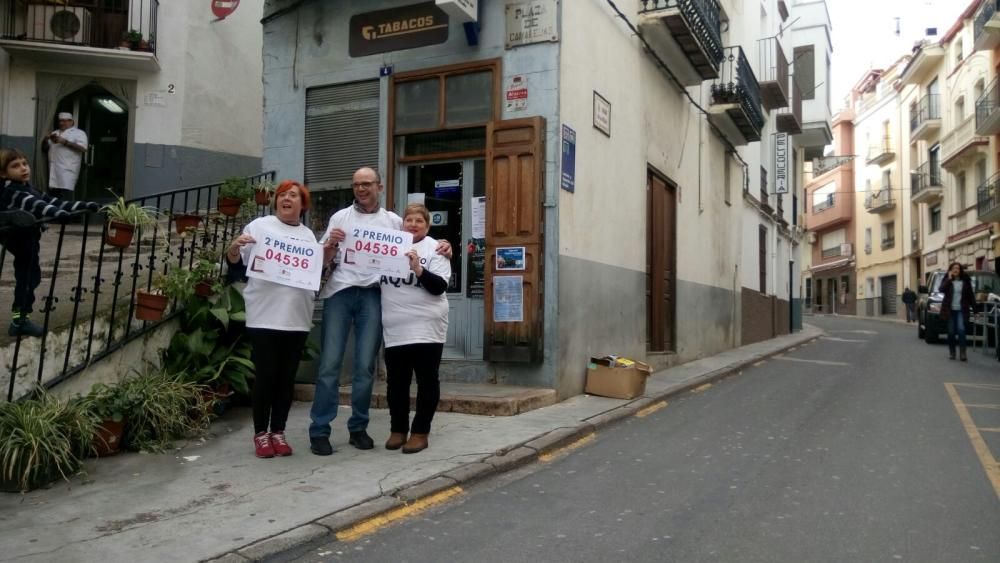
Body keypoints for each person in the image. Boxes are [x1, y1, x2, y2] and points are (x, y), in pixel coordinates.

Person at [308, 166, 451, 456]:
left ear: (379, 187)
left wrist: (445, 245)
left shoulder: (393, 222)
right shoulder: (340, 218)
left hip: (374, 295)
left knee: (365, 367)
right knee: (330, 365)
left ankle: (358, 427)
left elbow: (418, 239)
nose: (361, 189)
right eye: (356, 184)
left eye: (367, 184)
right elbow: (321, 261)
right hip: (340, 292)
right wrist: (331, 246)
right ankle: (319, 430)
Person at [226, 179, 336, 458]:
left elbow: (315, 271)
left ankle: (279, 431)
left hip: (297, 318)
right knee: (265, 377)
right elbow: (237, 267)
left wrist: (329, 252)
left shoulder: (309, 236)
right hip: (264, 315)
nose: (286, 198)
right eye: (282, 195)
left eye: (293, 195)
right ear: (276, 201)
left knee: (287, 379)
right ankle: (261, 434)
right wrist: (234, 249)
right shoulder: (259, 227)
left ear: (303, 205)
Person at [0, 148, 99, 337]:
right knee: (26, 281)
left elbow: (54, 202)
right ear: (3, 174)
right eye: (15, 166)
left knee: (31, 279)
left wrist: (84, 205)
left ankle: (21, 317)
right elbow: (38, 205)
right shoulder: (12, 191)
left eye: (24, 163)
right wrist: (56, 214)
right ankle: (19, 320)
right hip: (20, 241)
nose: (23, 168)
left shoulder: (28, 188)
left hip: (29, 240)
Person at [381, 204, 450, 454]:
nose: (412, 224)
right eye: (408, 220)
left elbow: (438, 286)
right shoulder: (390, 248)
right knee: (396, 383)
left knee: (426, 380)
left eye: (418, 220)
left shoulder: (436, 248)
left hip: (427, 327)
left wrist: (418, 269)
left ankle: (420, 432)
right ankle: (398, 430)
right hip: (395, 328)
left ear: (427, 226)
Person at [43, 112, 88, 200]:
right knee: (54, 200)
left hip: (67, 171)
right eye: (61, 121)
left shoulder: (78, 133)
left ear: (72, 122)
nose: (63, 123)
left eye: (66, 121)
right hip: (54, 171)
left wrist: (65, 142)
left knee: (67, 199)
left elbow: (83, 149)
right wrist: (45, 140)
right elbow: (45, 149)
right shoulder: (54, 133)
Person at [940, 262, 975, 362]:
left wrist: (976, 310)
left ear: (960, 271)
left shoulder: (965, 281)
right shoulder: (947, 280)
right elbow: (941, 289)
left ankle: (963, 353)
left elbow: (970, 296)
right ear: (951, 270)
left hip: (961, 310)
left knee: (961, 330)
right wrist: (949, 279)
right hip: (950, 310)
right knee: (951, 332)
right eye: (954, 268)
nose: (956, 270)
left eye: (958, 268)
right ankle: (952, 352)